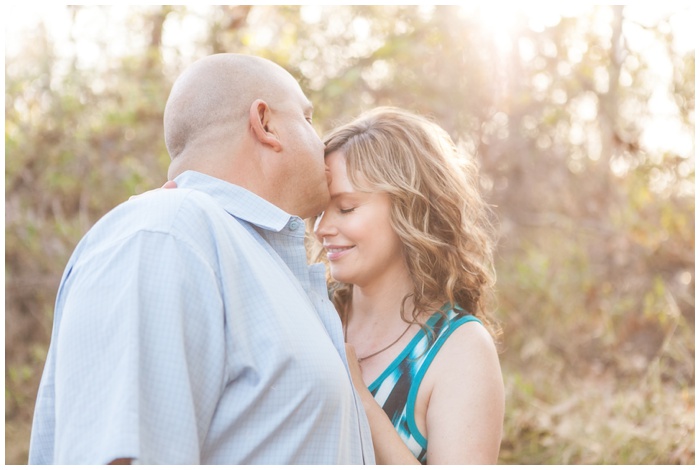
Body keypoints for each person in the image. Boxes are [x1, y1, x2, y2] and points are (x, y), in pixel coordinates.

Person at [28, 53, 374, 465]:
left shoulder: (251, 259)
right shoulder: (165, 234)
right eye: (309, 119)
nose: (323, 145)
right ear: (265, 123)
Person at [312, 107, 505, 464]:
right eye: (320, 210)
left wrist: (361, 402)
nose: (321, 228)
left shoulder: (459, 350)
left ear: (410, 210)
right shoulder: (310, 314)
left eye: (346, 208)